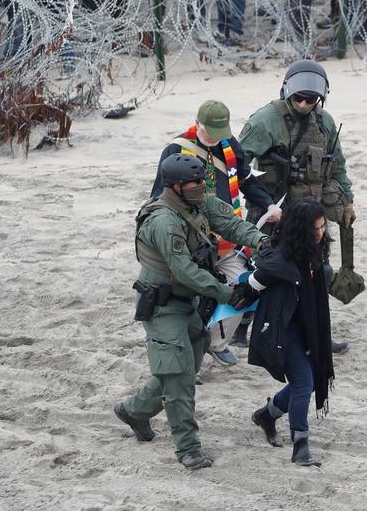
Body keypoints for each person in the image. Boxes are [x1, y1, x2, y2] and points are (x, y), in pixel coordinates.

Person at [114, 153, 267, 471]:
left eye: (202, 181)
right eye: (194, 182)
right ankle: (188, 448)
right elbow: (183, 270)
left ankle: (134, 411)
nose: (201, 186)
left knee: (187, 361)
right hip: (162, 306)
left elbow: (232, 224)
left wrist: (261, 241)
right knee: (179, 376)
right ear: (175, 186)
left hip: (189, 302)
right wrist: (229, 294)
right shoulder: (164, 222)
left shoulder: (199, 203)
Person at [238, 60, 354, 356]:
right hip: (273, 211)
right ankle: (240, 328)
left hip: (310, 214)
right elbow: (237, 163)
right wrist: (260, 199)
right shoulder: (266, 120)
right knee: (263, 268)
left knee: (317, 272)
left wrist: (348, 201)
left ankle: (316, 334)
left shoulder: (325, 123)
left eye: (310, 99)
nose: (304, 104)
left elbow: (338, 165)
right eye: (299, 98)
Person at [149, 100, 271, 366]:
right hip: (191, 239)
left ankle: (216, 342)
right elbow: (159, 196)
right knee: (189, 295)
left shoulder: (230, 145)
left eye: (220, 133)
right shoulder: (176, 149)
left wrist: (269, 204)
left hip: (226, 238)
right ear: (197, 123)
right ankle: (189, 350)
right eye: (209, 133)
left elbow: (246, 179)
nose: (215, 138)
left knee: (243, 283)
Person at [242, 198, 335, 466]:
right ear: (300, 230)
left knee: (308, 380)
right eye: (315, 229)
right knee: (304, 383)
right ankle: (300, 444)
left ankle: (267, 415)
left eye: (322, 227)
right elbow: (251, 287)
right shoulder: (279, 261)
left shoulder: (315, 250)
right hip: (283, 331)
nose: (320, 234)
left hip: (308, 328)